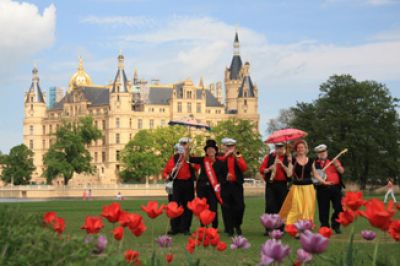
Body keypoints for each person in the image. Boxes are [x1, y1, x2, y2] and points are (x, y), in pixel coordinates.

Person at [279, 140, 330, 227]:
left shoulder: (310, 160)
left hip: (309, 189)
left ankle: (305, 227)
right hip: (296, 188)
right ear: (296, 149)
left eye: (302, 147)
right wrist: (290, 162)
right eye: (298, 147)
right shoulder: (293, 160)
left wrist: (324, 182)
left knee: (308, 210)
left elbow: (315, 174)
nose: (300, 149)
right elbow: (289, 174)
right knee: (297, 209)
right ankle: (295, 227)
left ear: (306, 149)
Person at [163, 137, 196, 235]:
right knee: (175, 206)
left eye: (185, 143)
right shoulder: (174, 158)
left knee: (188, 207)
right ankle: (174, 228)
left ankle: (185, 228)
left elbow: (197, 167)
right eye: (182, 144)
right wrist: (169, 173)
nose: (184, 145)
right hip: (177, 183)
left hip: (189, 183)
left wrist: (189, 159)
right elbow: (166, 171)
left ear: (189, 145)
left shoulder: (192, 156)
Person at [189, 139, 226, 229]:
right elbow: (188, 159)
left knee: (213, 208)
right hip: (202, 188)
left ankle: (214, 227)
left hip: (213, 189)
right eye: (208, 149)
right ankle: (203, 226)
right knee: (202, 208)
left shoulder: (220, 163)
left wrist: (219, 185)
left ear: (215, 150)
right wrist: (187, 149)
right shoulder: (202, 160)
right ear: (206, 151)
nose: (210, 151)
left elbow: (222, 176)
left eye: (212, 149)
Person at [259, 142, 292, 234]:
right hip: (271, 184)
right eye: (278, 148)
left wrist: (282, 164)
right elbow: (261, 169)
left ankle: (280, 228)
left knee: (281, 206)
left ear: (284, 148)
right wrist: (268, 169)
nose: (279, 150)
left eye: (281, 148)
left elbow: (290, 173)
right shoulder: (269, 157)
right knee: (270, 206)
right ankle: (268, 228)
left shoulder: (288, 158)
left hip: (282, 185)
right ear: (275, 148)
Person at [314, 144, 345, 234]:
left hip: (335, 188)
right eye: (320, 153)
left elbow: (342, 171)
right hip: (322, 189)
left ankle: (336, 224)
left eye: (323, 152)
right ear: (317, 154)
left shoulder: (334, 160)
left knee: (339, 208)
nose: (322, 154)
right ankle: (325, 227)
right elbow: (312, 177)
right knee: (323, 209)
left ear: (326, 152)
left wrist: (337, 165)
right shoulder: (314, 164)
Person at [219, 137, 247, 236]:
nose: (230, 148)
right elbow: (217, 167)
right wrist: (226, 156)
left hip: (236, 185)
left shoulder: (238, 156)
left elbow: (244, 168)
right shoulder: (221, 156)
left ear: (234, 147)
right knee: (226, 208)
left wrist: (236, 157)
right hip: (225, 185)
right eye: (228, 146)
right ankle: (229, 229)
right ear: (225, 147)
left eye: (232, 146)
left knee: (240, 206)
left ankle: (237, 224)